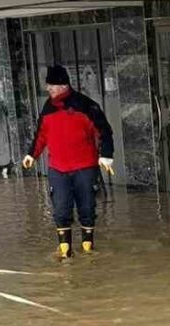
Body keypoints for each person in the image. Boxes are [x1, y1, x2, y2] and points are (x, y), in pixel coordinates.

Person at [23, 64, 115, 258]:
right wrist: (32, 154)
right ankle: (65, 252)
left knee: (87, 207)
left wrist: (106, 155)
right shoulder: (48, 108)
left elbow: (104, 131)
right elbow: (41, 135)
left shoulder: (86, 106)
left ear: (63, 85)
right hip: (58, 168)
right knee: (61, 209)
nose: (48, 89)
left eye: (51, 85)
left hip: (85, 167)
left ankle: (88, 248)